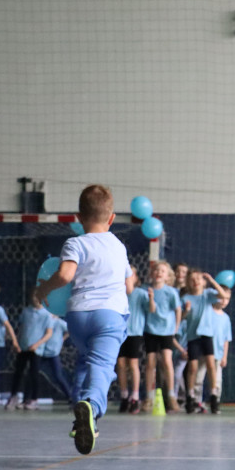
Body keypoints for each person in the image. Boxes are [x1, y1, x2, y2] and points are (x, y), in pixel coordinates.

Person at [35, 184, 134, 454]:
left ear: (79, 217)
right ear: (112, 217)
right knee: (101, 367)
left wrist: (44, 288)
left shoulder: (75, 243)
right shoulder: (119, 246)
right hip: (109, 317)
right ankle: (91, 407)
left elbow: (66, 276)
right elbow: (129, 286)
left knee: (86, 363)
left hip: (77, 317)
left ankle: (80, 416)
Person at [181, 268, 230, 414]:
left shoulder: (208, 295)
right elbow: (182, 317)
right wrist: (186, 312)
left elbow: (223, 295)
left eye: (199, 279)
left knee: (211, 365)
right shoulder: (185, 298)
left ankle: (214, 396)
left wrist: (212, 281)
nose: (196, 281)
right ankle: (190, 397)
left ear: (203, 282)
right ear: (189, 282)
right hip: (192, 336)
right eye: (192, 279)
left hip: (207, 335)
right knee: (193, 368)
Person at [141, 261, 181, 413]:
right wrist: (150, 298)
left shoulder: (171, 292)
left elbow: (177, 310)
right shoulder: (146, 290)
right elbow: (149, 309)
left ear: (167, 276)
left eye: (162, 271)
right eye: (156, 270)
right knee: (150, 363)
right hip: (151, 330)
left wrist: (175, 328)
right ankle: (149, 397)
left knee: (166, 360)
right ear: (152, 274)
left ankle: (171, 396)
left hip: (167, 331)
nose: (159, 273)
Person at [5, 289, 54, 411]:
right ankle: (14, 396)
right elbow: (22, 328)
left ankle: (33, 399)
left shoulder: (47, 315)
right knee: (18, 372)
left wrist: (37, 344)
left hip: (36, 350)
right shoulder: (26, 312)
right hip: (23, 348)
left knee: (34, 374)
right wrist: (16, 342)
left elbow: (48, 333)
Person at [118, 266, 150, 414]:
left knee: (133, 363)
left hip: (135, 333)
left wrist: (152, 298)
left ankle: (135, 396)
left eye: (130, 275)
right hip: (119, 332)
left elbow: (151, 309)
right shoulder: (117, 294)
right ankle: (124, 395)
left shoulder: (141, 294)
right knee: (120, 364)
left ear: (136, 278)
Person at [193, 294, 231, 413]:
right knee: (198, 378)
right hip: (203, 353)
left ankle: (215, 401)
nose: (224, 301)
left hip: (217, 355)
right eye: (221, 298)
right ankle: (197, 402)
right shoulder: (207, 312)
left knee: (217, 380)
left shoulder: (226, 318)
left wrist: (224, 356)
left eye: (227, 298)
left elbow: (226, 339)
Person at [38, 316, 72, 403]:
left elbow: (70, 330)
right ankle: (29, 398)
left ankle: (70, 396)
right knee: (33, 374)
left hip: (53, 353)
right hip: (42, 351)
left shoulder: (59, 323)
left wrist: (62, 339)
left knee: (58, 376)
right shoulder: (44, 320)